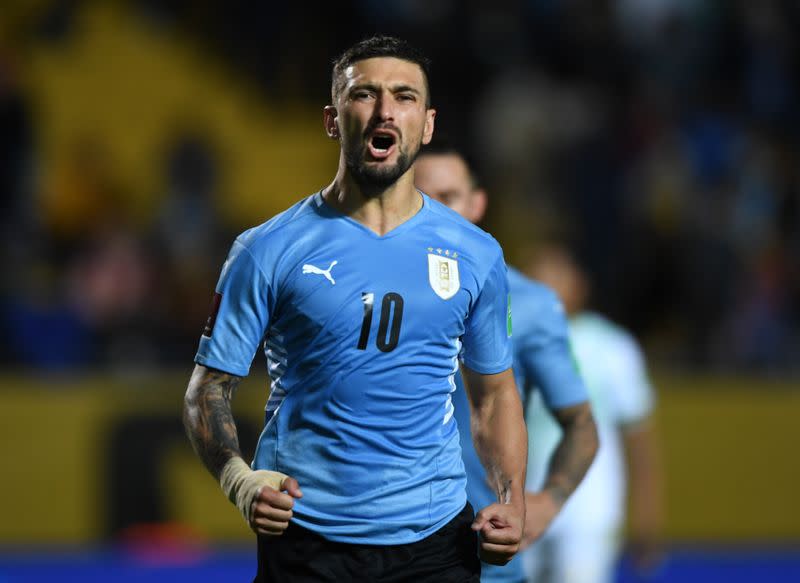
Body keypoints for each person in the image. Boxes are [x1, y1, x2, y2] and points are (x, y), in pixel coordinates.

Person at [182, 36, 528, 582]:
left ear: (428, 124)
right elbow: (208, 389)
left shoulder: (478, 254)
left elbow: (494, 394)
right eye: (365, 94)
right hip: (307, 539)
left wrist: (512, 499)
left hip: (437, 541)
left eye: (405, 96)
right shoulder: (266, 250)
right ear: (332, 119)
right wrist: (239, 480)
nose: (385, 110)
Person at [414, 141, 599, 583]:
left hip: (483, 561)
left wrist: (548, 500)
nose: (436, 212)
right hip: (379, 551)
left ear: (477, 204)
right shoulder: (371, 290)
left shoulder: (531, 304)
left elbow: (582, 424)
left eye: (449, 197)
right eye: (422, 198)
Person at [522, 245, 663, 583]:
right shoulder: (509, 342)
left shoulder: (611, 347)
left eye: (557, 275)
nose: (547, 286)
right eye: (537, 277)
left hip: (589, 511)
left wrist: (648, 518)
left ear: (580, 284)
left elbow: (640, 440)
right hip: (522, 506)